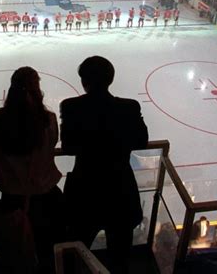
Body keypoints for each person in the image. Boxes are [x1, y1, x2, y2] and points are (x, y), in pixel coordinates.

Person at [60, 56, 148, 274]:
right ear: (110, 79)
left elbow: (68, 147)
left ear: (84, 81)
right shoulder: (129, 107)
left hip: (85, 191)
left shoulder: (71, 107)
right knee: (120, 260)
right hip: (120, 192)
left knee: (75, 253)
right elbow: (141, 141)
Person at [0, 67, 64, 273]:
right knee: (49, 255)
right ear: (38, 90)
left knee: (16, 256)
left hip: (11, 202)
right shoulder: (49, 121)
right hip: (47, 200)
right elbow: (52, 143)